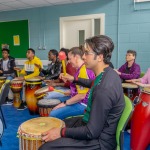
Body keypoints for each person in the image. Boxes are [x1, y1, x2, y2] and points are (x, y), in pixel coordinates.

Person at [39, 35, 125, 150]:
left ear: (99, 57)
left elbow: (91, 132)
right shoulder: (108, 73)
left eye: (87, 53)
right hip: (92, 125)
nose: (83, 57)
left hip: (100, 141)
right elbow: (92, 83)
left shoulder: (104, 90)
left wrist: (61, 132)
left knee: (46, 147)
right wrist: (74, 79)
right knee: (60, 123)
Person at [48, 47, 95, 119]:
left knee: (53, 114)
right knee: (58, 101)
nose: (69, 61)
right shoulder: (80, 69)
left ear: (76, 57)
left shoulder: (83, 70)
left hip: (84, 104)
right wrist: (71, 91)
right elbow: (82, 88)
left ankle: (63, 128)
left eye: (70, 59)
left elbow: (82, 95)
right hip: (80, 100)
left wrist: (65, 103)